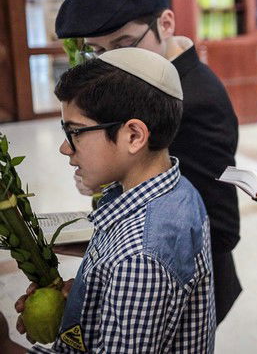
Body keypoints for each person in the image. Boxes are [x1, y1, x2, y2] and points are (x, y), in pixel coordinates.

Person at [54, 0, 241, 323]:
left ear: (166, 24)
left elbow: (220, 229)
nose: (113, 61)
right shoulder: (143, 83)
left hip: (174, 295)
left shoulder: (195, 100)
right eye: (98, 51)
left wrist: (120, 260)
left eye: (124, 44)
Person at [0, 48, 216, 353]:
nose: (65, 148)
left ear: (133, 136)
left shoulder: (138, 261)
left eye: (75, 132)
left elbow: (136, 266)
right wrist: (84, 298)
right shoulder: (179, 188)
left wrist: (6, 345)